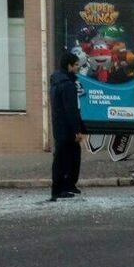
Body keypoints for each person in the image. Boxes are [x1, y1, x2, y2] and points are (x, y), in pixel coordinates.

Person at [49, 52, 87, 201]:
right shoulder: (67, 85)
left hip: (60, 127)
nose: (78, 67)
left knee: (70, 156)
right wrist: (77, 131)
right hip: (67, 129)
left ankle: (67, 185)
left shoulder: (57, 82)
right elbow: (71, 109)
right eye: (76, 65)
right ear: (69, 66)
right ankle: (59, 188)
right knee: (63, 159)